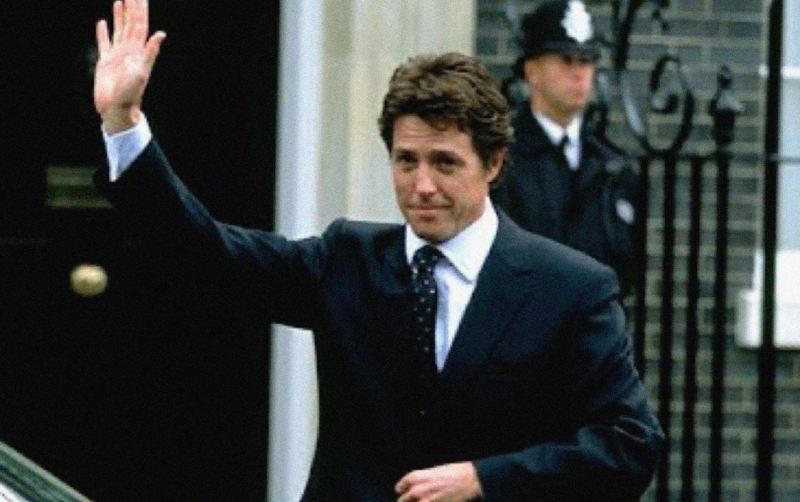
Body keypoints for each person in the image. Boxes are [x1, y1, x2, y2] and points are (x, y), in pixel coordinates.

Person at [92, 1, 662, 500]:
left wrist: (484, 479)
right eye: (406, 161)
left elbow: (628, 445)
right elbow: (209, 254)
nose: (422, 185)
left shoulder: (569, 287)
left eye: (445, 163)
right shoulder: (347, 259)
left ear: (493, 164)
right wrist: (124, 124)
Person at [492, 0, 641, 296]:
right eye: (565, 60)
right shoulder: (501, 160)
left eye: (586, 61)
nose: (578, 73)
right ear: (532, 70)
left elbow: (628, 270)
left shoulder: (612, 166)